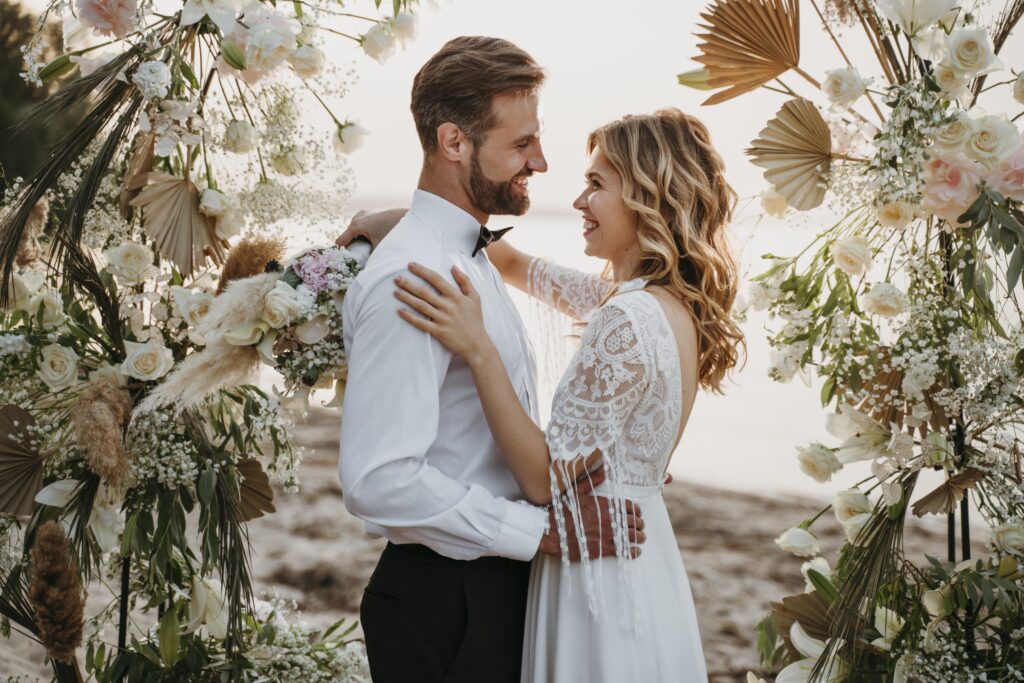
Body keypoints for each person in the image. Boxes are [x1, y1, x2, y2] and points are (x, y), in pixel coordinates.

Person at [355, 108, 746, 681]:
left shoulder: (626, 319)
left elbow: (542, 478)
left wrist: (479, 348)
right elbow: (510, 261)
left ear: (648, 199)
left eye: (597, 185)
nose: (580, 201)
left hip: (595, 559)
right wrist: (400, 220)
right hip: (642, 551)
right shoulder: (660, 303)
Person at [335, 36, 646, 683]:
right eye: (521, 143)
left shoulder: (463, 254)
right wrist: (533, 532)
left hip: (487, 587)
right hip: (447, 604)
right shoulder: (415, 280)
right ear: (454, 143)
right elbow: (378, 478)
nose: (540, 160)